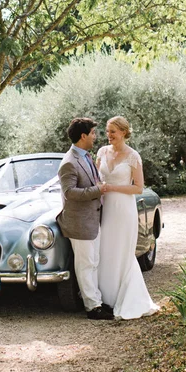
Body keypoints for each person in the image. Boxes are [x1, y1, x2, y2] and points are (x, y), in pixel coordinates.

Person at [96, 116, 159, 320]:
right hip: (105, 208)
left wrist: (112, 187)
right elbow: (96, 178)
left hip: (124, 209)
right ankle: (105, 299)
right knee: (105, 249)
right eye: (107, 131)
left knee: (122, 251)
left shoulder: (133, 156)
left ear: (123, 132)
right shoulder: (101, 152)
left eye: (113, 131)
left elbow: (138, 187)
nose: (109, 135)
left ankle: (125, 299)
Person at [56, 117, 114, 320]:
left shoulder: (85, 157)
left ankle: (95, 301)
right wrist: (96, 190)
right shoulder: (69, 162)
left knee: (94, 262)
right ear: (83, 136)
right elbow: (69, 193)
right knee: (86, 264)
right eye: (92, 133)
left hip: (91, 220)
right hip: (79, 222)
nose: (95, 137)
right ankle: (92, 308)